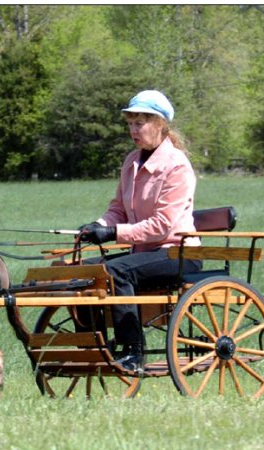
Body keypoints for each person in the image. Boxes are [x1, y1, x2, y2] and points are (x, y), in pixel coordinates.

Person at [78, 89, 202, 371]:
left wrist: (113, 233)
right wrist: (99, 225)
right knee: (85, 271)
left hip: (177, 253)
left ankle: (133, 351)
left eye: (140, 123)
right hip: (144, 253)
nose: (133, 130)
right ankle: (95, 345)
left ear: (159, 124)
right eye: (130, 124)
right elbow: (118, 208)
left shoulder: (177, 166)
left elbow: (162, 225)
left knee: (116, 271)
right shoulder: (131, 162)